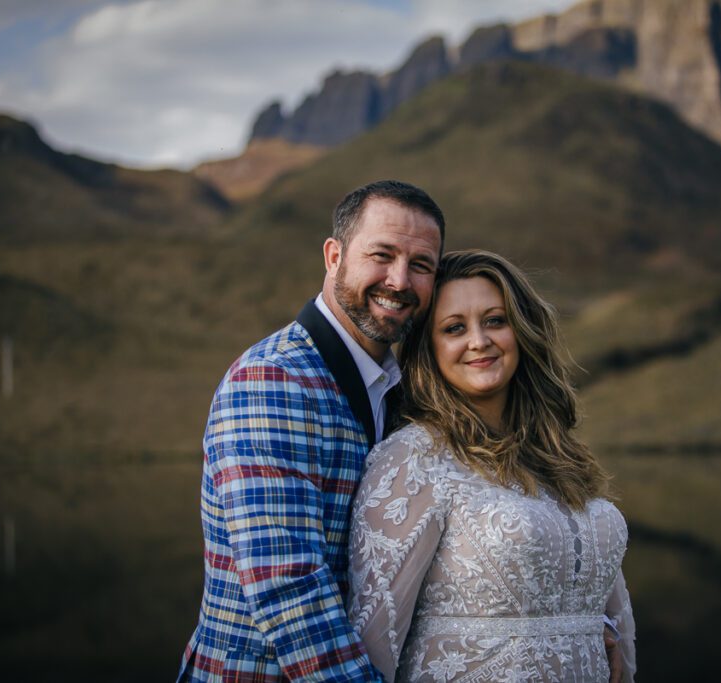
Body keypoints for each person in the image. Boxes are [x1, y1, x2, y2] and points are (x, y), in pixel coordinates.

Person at [176, 179, 444, 682]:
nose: (399, 280)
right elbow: (289, 591)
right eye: (381, 255)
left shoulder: (403, 390)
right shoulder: (274, 380)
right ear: (333, 255)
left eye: (421, 265)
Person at [348, 250, 637, 681]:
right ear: (429, 349)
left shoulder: (559, 455)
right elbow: (375, 634)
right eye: (454, 328)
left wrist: (598, 633)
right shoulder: (415, 458)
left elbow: (591, 597)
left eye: (495, 321)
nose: (479, 340)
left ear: (521, 331)